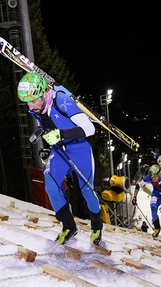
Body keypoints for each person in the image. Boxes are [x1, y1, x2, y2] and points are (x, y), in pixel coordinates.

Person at [17, 71, 102, 245]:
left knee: (87, 190)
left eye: (33, 101)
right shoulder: (37, 108)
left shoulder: (62, 102)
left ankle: (97, 227)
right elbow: (49, 128)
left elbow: (89, 129)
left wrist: (60, 135)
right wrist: (48, 149)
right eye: (27, 102)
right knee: (51, 186)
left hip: (80, 149)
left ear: (44, 93)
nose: (31, 107)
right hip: (59, 149)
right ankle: (69, 226)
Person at [132, 164, 161, 242]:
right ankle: (157, 228)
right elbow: (138, 185)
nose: (153, 179)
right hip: (156, 194)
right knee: (153, 208)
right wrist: (134, 197)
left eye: (155, 177)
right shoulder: (150, 176)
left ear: (160, 174)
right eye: (152, 177)